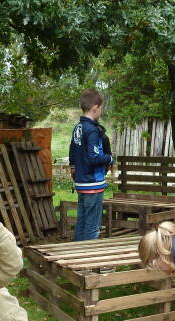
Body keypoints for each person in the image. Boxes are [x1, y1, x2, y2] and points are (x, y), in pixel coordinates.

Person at [69, 88, 114, 241]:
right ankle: (89, 255)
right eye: (101, 108)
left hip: (81, 183)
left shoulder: (78, 127)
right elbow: (94, 158)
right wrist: (109, 158)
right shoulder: (92, 130)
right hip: (92, 184)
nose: (101, 111)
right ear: (95, 108)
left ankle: (77, 253)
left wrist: (73, 168)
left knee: (81, 222)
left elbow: (72, 152)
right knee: (93, 226)